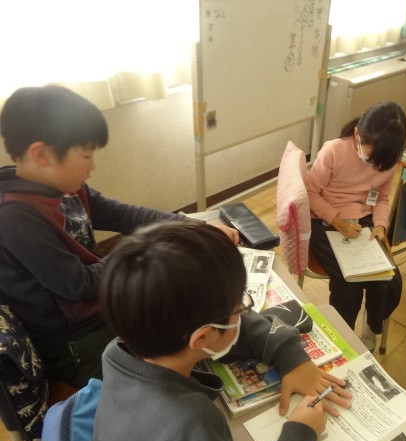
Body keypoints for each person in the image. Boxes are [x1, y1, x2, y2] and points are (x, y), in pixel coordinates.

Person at [0, 85, 238, 387]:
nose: (92, 166)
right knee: (168, 371)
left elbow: (126, 215)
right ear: (42, 154)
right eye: (86, 155)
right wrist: (147, 251)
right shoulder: (14, 217)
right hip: (77, 342)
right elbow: (78, 284)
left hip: (106, 306)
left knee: (194, 319)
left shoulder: (65, 187)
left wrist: (190, 226)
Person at [93, 221, 352, 441]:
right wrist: (299, 436)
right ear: (201, 338)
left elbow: (216, 324)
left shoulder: (119, 352)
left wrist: (289, 355)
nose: (244, 313)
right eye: (240, 307)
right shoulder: (193, 424)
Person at [306, 101, 406, 351]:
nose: (372, 165)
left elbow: (381, 198)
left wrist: (380, 226)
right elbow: (310, 193)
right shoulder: (333, 151)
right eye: (371, 157)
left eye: (380, 162)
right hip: (324, 221)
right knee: (348, 285)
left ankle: (371, 329)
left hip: (364, 222)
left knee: (389, 280)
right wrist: (337, 221)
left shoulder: (390, 160)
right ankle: (342, 340)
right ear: (357, 134)